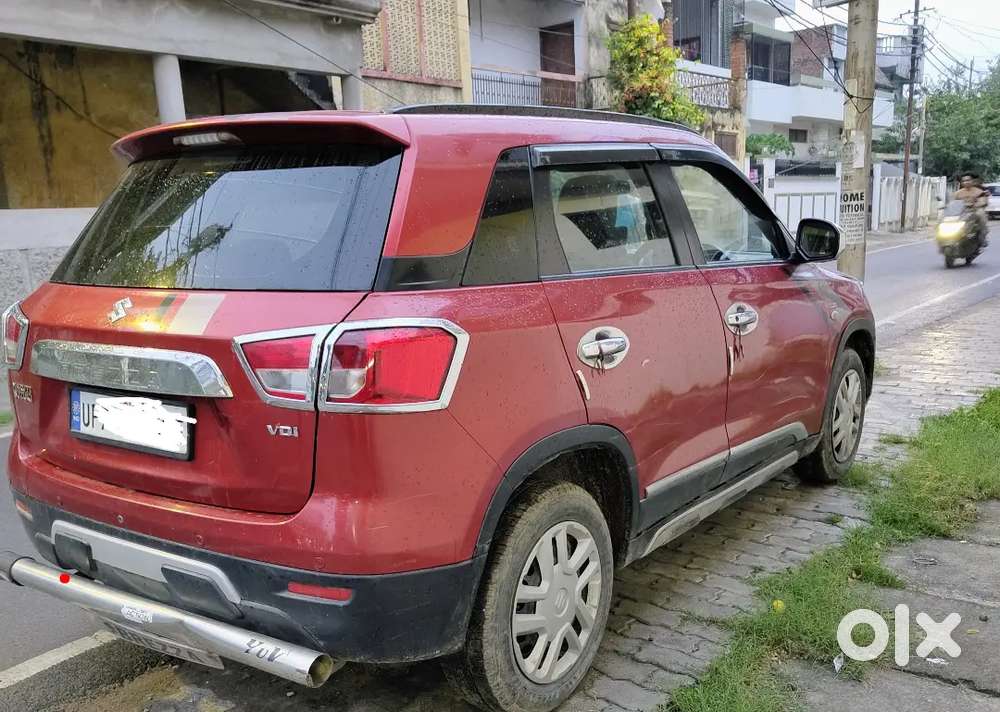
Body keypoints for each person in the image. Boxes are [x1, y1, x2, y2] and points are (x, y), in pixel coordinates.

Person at [954, 174, 989, 246]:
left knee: (981, 214)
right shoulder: (958, 193)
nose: (966, 182)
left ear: (972, 181)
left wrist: (976, 204)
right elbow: (953, 203)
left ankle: (982, 236)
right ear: (961, 182)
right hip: (962, 211)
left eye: (968, 180)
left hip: (975, 210)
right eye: (964, 181)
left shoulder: (979, 191)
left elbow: (983, 202)